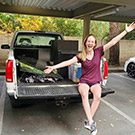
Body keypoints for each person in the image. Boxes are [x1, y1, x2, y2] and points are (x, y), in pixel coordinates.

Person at [44, 22, 135, 135]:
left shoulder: (98, 52)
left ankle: (88, 121)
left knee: (97, 96)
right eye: (88, 41)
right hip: (84, 81)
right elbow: (68, 62)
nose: (90, 43)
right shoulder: (81, 55)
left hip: (96, 81)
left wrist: (126, 31)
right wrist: (53, 67)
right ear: (85, 43)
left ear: (95, 43)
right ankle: (91, 122)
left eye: (92, 41)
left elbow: (113, 42)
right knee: (84, 95)